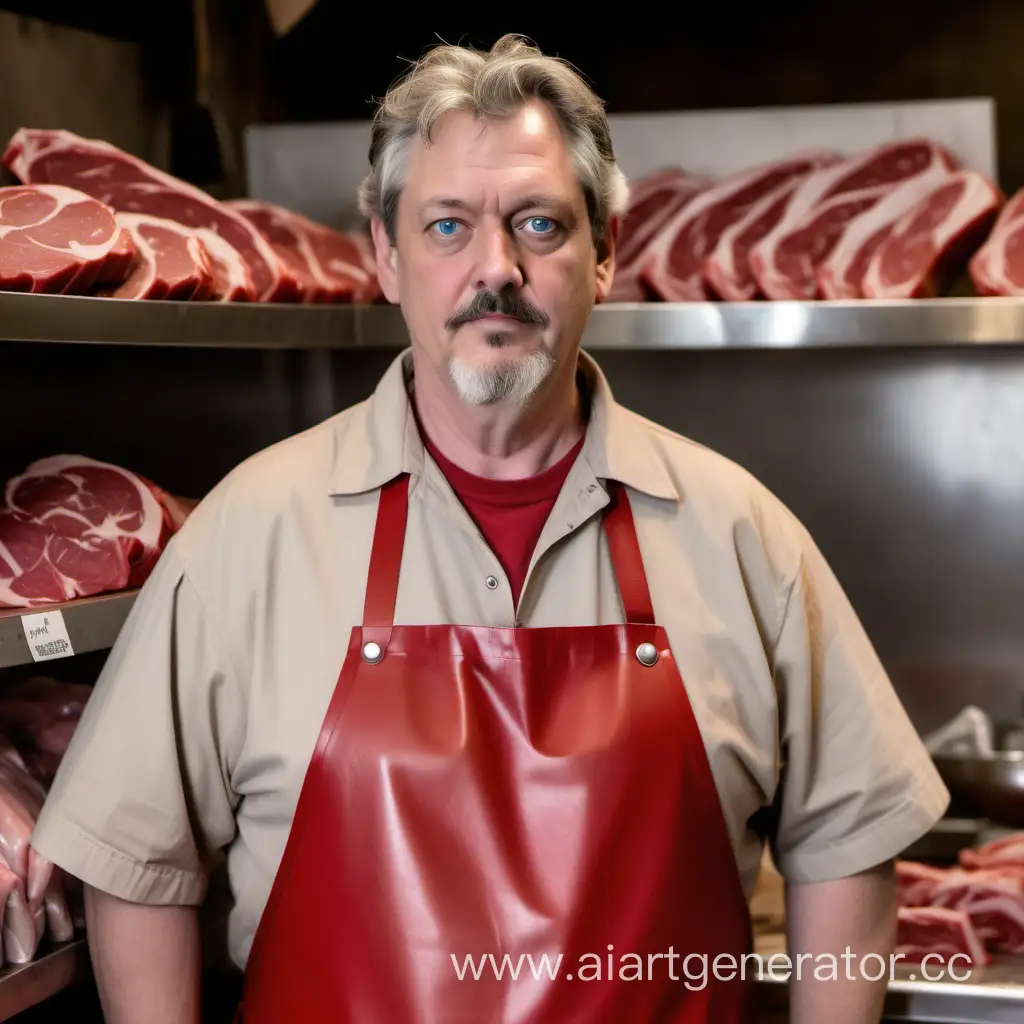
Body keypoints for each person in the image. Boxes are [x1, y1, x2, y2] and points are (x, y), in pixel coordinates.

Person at [31, 33, 948, 1024]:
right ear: (385, 254)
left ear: (603, 254)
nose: (494, 268)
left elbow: (848, 842)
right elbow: (133, 861)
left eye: (540, 224)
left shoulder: (740, 536)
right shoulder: (248, 534)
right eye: (447, 226)